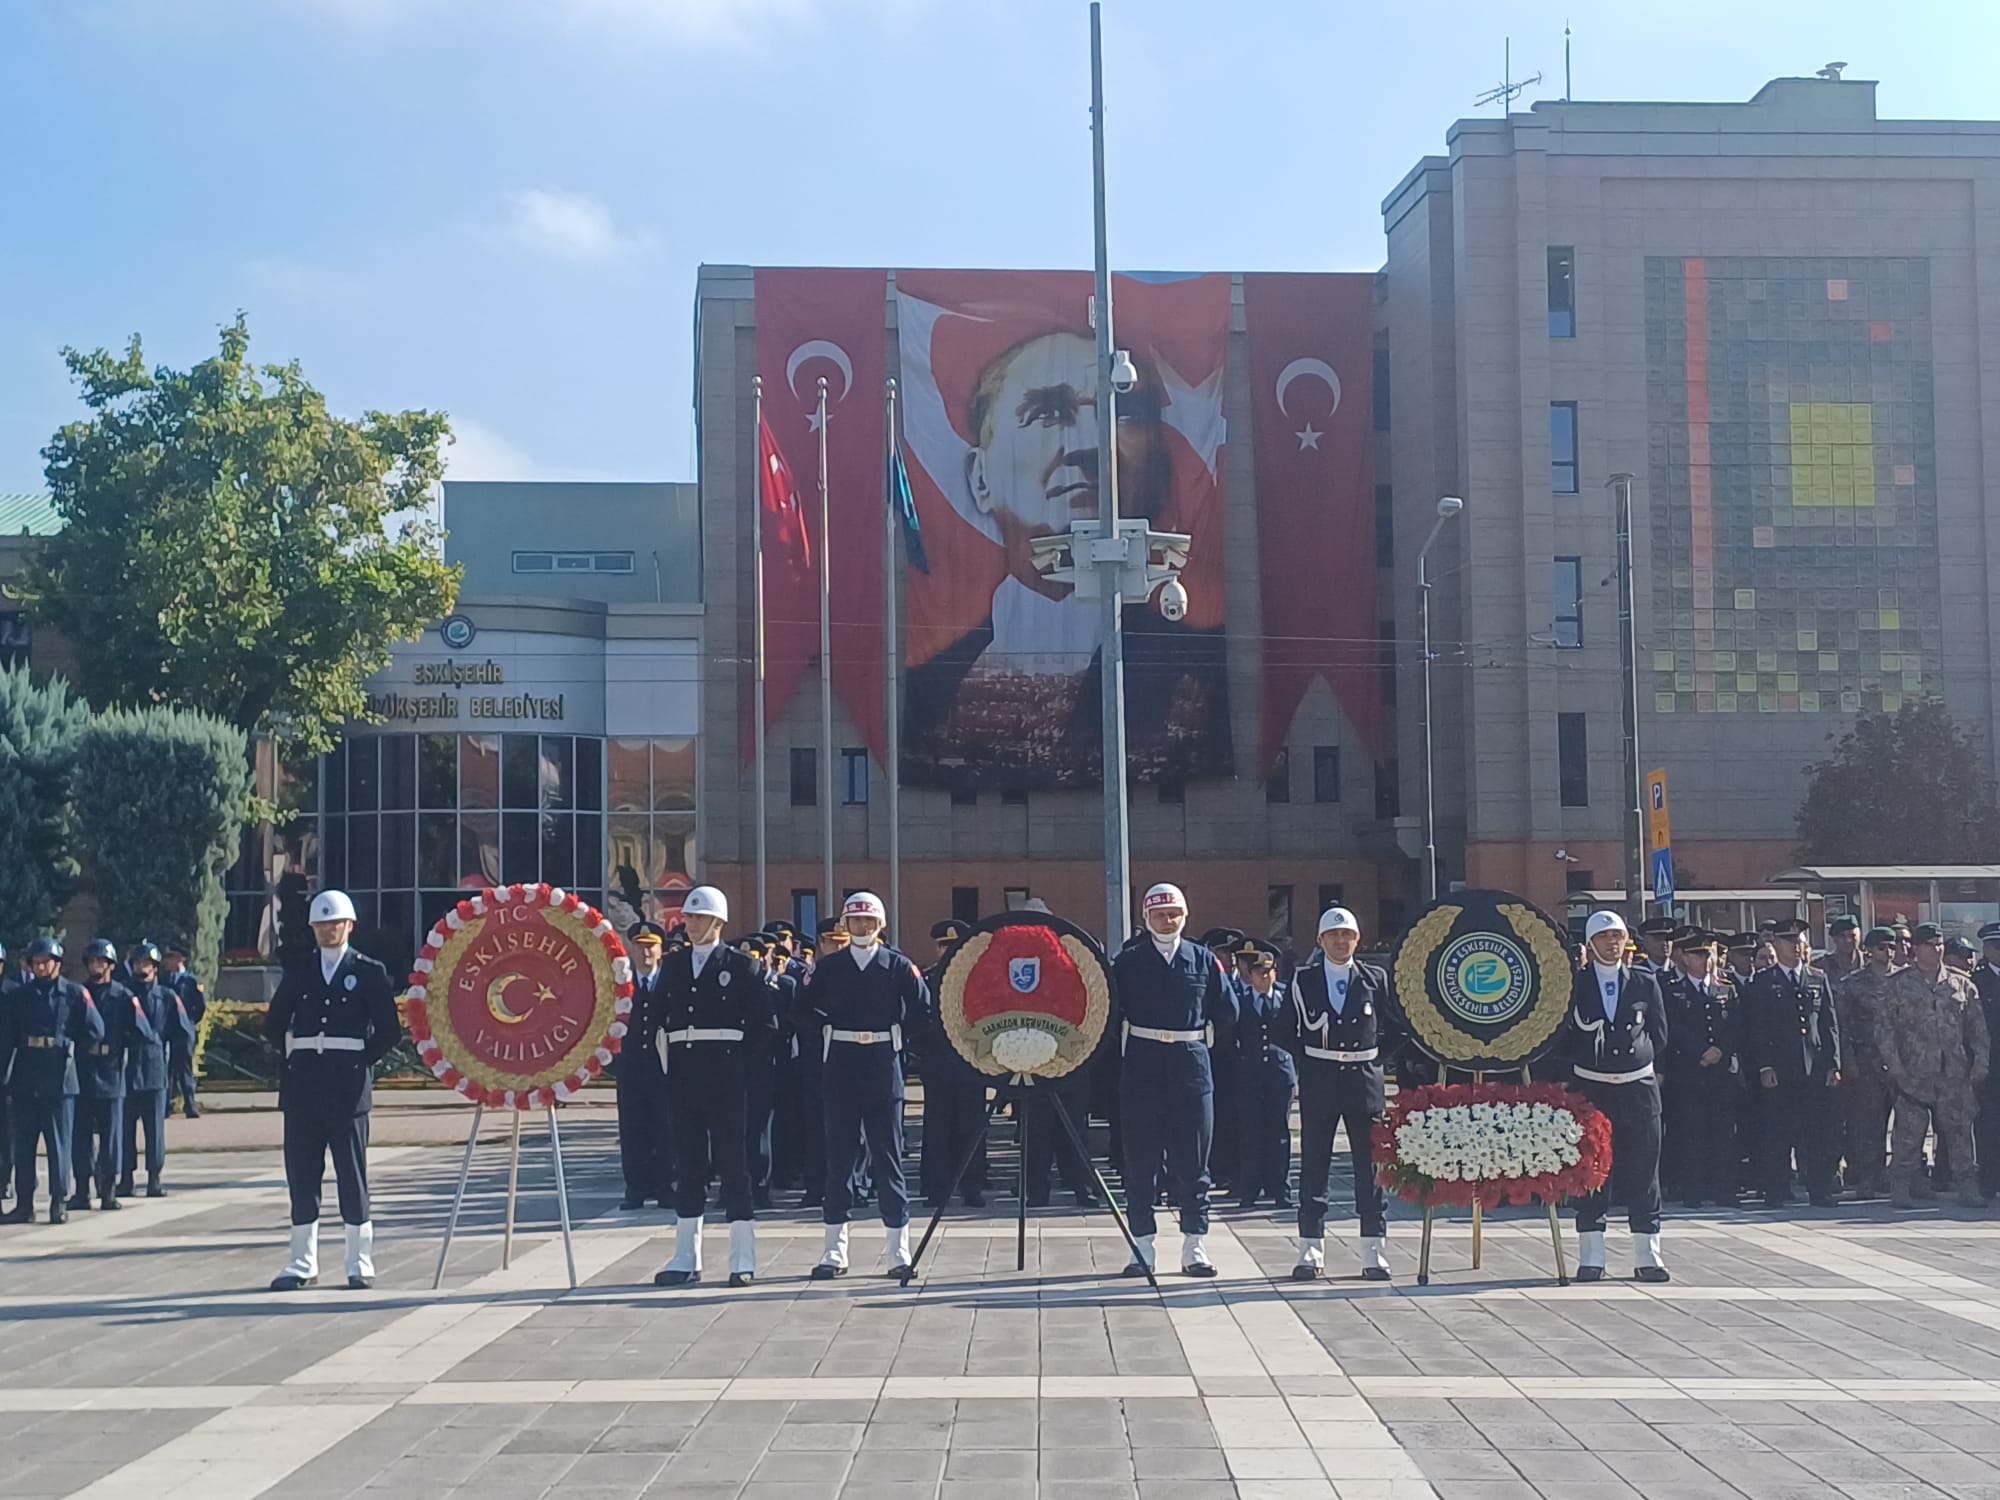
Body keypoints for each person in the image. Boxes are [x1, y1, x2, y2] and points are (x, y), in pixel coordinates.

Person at [902, 331, 1229, 790]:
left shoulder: (1205, 675)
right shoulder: (932, 687)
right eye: (1048, 412)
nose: (1092, 445)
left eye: (1123, 413)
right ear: (980, 477)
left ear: (1156, 467)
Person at [265, 890, 402, 1290]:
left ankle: (359, 1262)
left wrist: (359, 1061)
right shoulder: (300, 970)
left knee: (351, 1176)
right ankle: (301, 1262)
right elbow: (274, 1024)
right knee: (302, 1177)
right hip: (304, 1088)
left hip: (347, 1089)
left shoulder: (369, 971)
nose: (327, 930)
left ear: (349, 926)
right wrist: (296, 1058)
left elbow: (389, 1031)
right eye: (321, 925)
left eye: (334, 924)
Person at [798, 893, 928, 1278]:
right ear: (845, 925)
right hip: (841, 1063)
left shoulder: (899, 966)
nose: (862, 928)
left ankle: (898, 1252)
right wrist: (826, 1025)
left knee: (888, 1157)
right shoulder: (830, 967)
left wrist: (900, 1040)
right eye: (855, 922)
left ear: (881, 926)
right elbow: (800, 1009)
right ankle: (834, 1251)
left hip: (882, 1064)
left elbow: (923, 1011)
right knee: (839, 1158)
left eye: (869, 922)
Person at [1112, 884, 1237, 1278]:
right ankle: (1143, 1247)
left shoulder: (1202, 960)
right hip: (1143, 1068)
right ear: (1146, 918)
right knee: (1140, 1161)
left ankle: (1194, 1246)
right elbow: (1111, 1013)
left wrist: (1203, 1045)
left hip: (1190, 1068)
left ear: (1185, 916)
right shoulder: (1127, 963)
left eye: (1175, 914)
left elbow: (1228, 1011)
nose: (1168, 921)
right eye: (1160, 914)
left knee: (1193, 1161)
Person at [652, 886, 774, 1289]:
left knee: (735, 1168)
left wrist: (744, 1075)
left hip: (727, 1080)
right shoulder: (673, 967)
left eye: (698, 918)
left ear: (718, 923)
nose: (690, 924)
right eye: (688, 917)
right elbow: (655, 1020)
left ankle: (742, 1257)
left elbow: (763, 1028)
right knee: (688, 1166)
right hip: (685, 1077)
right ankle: (685, 1256)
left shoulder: (741, 967)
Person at [1282, 907, 1397, 1280]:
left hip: (1363, 1079)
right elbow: (1285, 1030)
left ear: (1357, 940)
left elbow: (1395, 1026)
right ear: (1320, 940)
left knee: (1371, 1166)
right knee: (1314, 1164)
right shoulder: (1303, 981)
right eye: (1333, 936)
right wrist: (1309, 1064)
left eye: (1347, 935)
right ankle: (1310, 1251)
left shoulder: (1374, 978)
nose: (1340, 941)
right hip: (1321, 1077)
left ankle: (1373, 1252)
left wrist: (1377, 1059)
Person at [1556, 911, 1669, 1282]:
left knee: (1643, 1170)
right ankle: (1592, 1256)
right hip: (1593, 1088)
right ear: (1590, 944)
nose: (1612, 943)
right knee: (1591, 1171)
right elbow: (1564, 1038)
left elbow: (1660, 1034)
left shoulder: (1643, 982)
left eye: (1617, 936)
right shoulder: (1574, 984)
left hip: (1637, 1089)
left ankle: (1648, 1256)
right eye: (1604, 937)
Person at [1879, 923, 1989, 1208]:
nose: (1937, 949)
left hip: (1954, 1073)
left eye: (1939, 944)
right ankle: (1901, 1188)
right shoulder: (1897, 984)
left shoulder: (1961, 983)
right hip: (1913, 1074)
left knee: (1960, 1133)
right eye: (1930, 944)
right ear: (1915, 948)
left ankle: (1968, 1187)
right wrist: (1894, 1065)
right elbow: (1885, 1030)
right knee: (1907, 1136)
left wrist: (1980, 1061)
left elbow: (1977, 1028)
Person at [1, 938, 103, 1224]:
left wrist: (72, 1050)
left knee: (59, 1145)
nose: (41, 966)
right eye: (36, 962)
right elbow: (7, 1038)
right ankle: (24, 1204)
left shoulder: (74, 993)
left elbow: (95, 1030)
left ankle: (59, 1201)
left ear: (57, 963)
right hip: (25, 1077)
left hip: (59, 1079)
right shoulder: (19, 996)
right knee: (23, 1146)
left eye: (46, 961)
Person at [1743, 917, 1842, 1209]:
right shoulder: (1763, 981)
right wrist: (1764, 1065)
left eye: (1799, 940)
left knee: (1817, 1134)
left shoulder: (1816, 977)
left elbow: (1828, 1024)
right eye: (1788, 940)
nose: (1795, 946)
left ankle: (1819, 1189)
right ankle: (1777, 1189)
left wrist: (1833, 1063)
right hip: (1781, 1067)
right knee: (1778, 1133)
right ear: (1776, 944)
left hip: (1813, 1066)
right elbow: (1757, 1028)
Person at [1658, 930, 1740, 1209]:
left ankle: (1724, 1189)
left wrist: (1721, 1049)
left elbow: (1738, 1025)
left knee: (1723, 1133)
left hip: (1721, 1072)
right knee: (1691, 1133)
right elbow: (1672, 1028)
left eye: (1708, 954)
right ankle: (1692, 1189)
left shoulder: (1726, 987)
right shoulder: (1673, 991)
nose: (1705, 960)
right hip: (1689, 1072)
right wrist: (1700, 1052)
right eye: (1698, 955)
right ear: (1685, 958)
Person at [70, 939, 150, 1213]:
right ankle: (82, 1190)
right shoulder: (79, 995)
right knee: (80, 1137)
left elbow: (144, 1033)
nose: (96, 967)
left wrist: (123, 1045)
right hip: (83, 1072)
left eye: (101, 962)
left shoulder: (124, 996)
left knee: (111, 1139)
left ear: (111, 965)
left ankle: (108, 1191)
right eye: (92, 962)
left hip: (112, 1074)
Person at [919, 919, 990, 1209]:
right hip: (937, 1065)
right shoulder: (926, 979)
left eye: (954, 946)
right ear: (936, 948)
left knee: (972, 1127)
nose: (948, 951)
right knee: (937, 1128)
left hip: (970, 1064)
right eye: (943, 946)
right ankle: (937, 1188)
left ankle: (972, 1187)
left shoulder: (979, 980)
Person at [1834, 927, 1902, 1200]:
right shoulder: (1853, 984)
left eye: (1893, 946)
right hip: (1866, 1064)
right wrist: (1848, 1062)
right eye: (1883, 947)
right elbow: (1842, 1026)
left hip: (1901, 1063)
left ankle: (1902, 1178)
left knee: (1907, 1125)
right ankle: (1867, 1178)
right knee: (1867, 1125)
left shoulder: (1905, 980)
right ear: (1870, 951)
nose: (1889, 952)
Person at [614, 921, 676, 1213]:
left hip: (663, 1070)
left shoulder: (670, 983)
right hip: (630, 1069)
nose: (645, 952)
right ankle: (635, 1189)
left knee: (665, 1129)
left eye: (650, 946)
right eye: (639, 946)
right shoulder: (621, 987)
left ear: (660, 949)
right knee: (632, 1129)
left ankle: (665, 1187)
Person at [121, 942, 189, 1200]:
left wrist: (174, 1063)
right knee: (125, 1129)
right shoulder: (124, 995)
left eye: (147, 964)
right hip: (128, 1068)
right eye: (138, 963)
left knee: (154, 1131)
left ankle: (154, 1179)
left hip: (155, 1069)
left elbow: (183, 1032)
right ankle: (126, 1178)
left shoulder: (168, 997)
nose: (142, 968)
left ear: (155, 967)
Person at [1232, 940, 1297, 1213]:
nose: (1264, 976)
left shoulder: (1287, 998)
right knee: (1250, 1133)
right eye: (1259, 972)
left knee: (1279, 1133)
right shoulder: (1241, 1000)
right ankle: (1249, 1189)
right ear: (1251, 974)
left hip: (1280, 1074)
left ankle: (1280, 1188)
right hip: (1250, 1074)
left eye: (1269, 972)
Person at [161, 940, 207, 1119]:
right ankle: (167, 1105)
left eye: (170, 958)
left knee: (184, 1068)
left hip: (184, 1030)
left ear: (180, 959)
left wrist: (189, 1022)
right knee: (167, 1069)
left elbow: (200, 1006)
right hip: (167, 1030)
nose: (167, 962)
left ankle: (190, 1103)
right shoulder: (164, 981)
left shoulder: (191, 981)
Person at [1975, 923, 2000, 1200]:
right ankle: (1989, 1179)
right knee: (1989, 1124)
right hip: (1990, 1065)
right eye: (1997, 947)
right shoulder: (1977, 982)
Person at [1820, 915, 1865, 983]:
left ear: (1860, 936)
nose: (1848, 940)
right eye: (1842, 936)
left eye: (1853, 936)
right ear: (1834, 939)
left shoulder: (1871, 963)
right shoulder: (1822, 965)